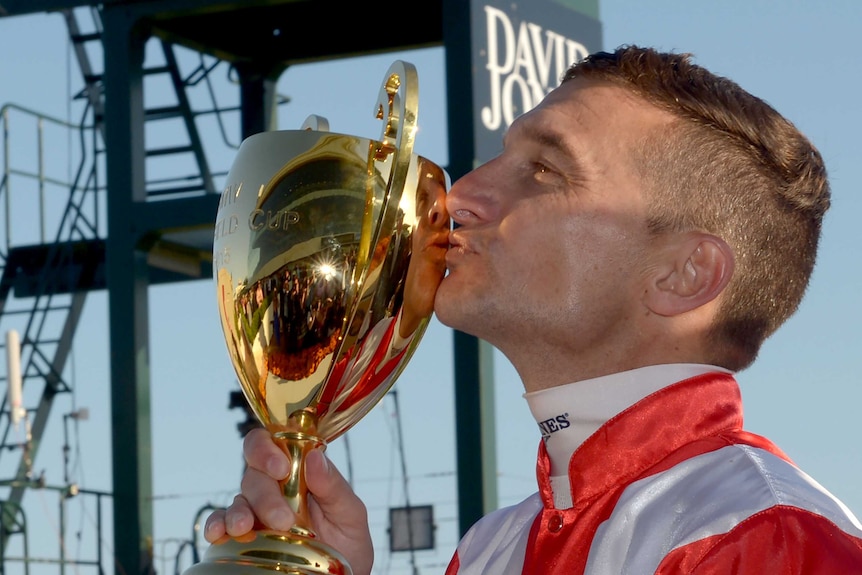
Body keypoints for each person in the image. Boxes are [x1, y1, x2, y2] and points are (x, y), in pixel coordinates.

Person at [203, 45, 862, 574]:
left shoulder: (765, 538)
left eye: (545, 169)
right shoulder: (494, 545)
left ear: (685, 273)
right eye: (503, 155)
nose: (460, 194)